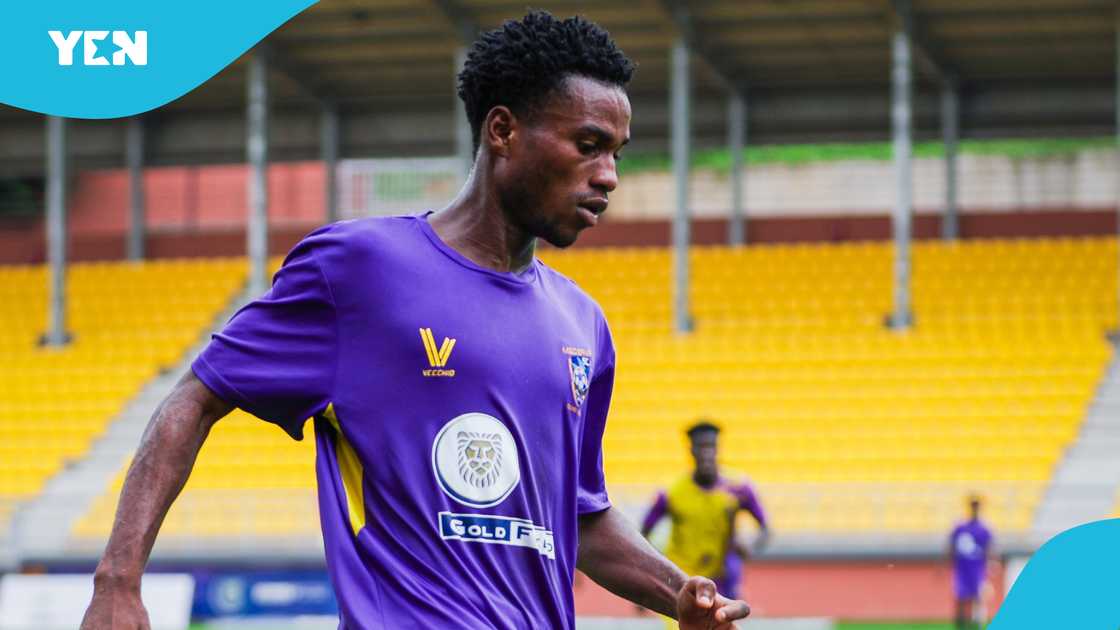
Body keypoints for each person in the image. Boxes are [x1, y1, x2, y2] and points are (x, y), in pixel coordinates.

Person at [80, 11, 750, 630]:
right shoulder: (359, 269)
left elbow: (579, 516)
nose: (607, 176)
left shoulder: (584, 324)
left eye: (617, 154)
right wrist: (118, 580)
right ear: (502, 130)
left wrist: (676, 592)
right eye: (587, 145)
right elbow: (196, 397)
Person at [641, 421, 770, 602]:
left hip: (722, 578)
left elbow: (765, 528)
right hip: (682, 576)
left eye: (711, 446)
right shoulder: (671, 492)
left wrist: (751, 545)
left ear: (718, 449)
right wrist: (649, 577)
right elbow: (645, 531)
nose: (707, 453)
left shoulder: (739, 487)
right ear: (691, 451)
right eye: (701, 446)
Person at [948, 494, 994, 630]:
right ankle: (960, 625)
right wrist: (946, 564)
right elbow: (951, 546)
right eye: (973, 505)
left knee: (978, 597)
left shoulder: (984, 528)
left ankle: (977, 625)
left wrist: (990, 564)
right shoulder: (960, 526)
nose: (975, 508)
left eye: (976, 505)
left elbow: (989, 548)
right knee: (960, 598)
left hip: (977, 569)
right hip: (962, 568)